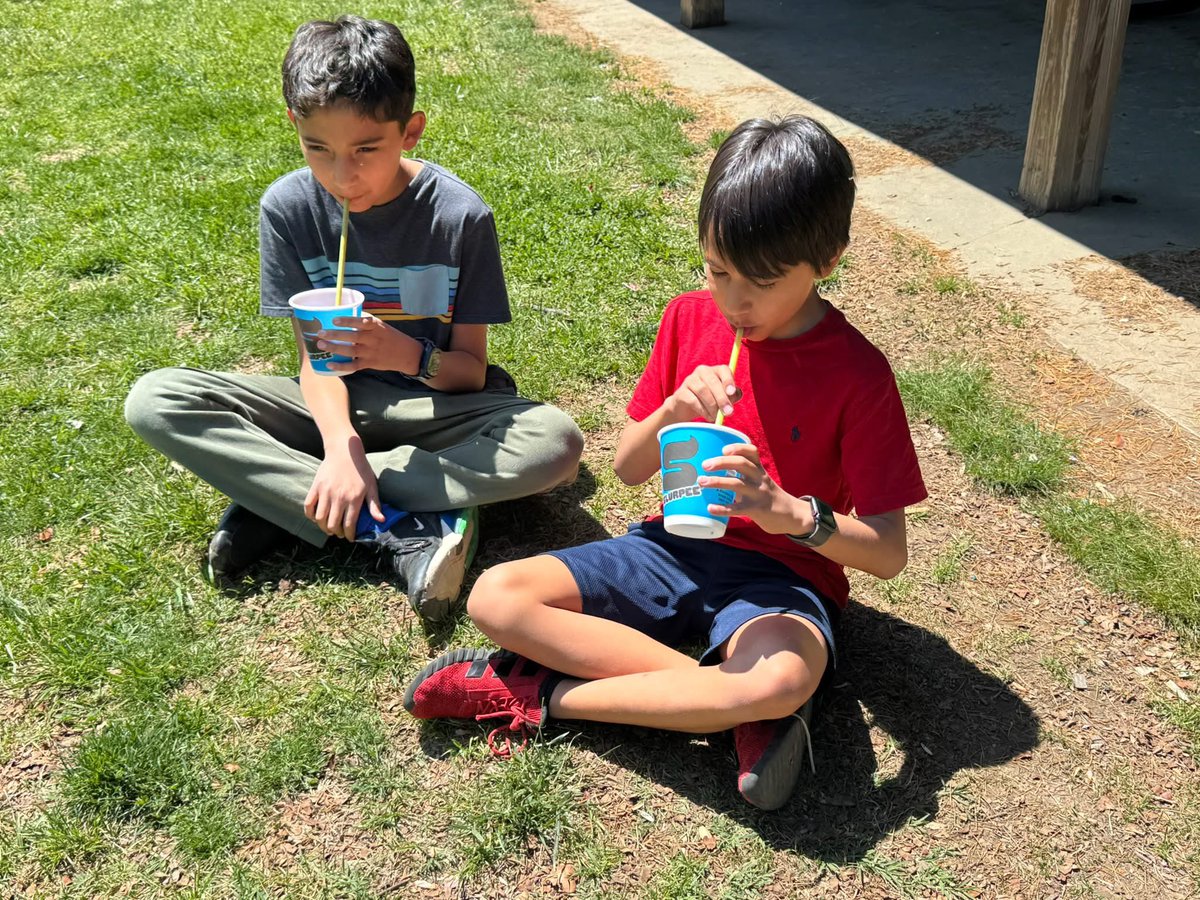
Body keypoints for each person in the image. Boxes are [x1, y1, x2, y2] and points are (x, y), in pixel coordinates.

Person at [403, 115, 927, 809]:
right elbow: (625, 466)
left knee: (775, 678)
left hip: (782, 579)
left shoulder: (858, 374)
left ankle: (539, 693)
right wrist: (672, 410)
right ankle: (728, 707)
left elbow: (888, 553)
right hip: (668, 549)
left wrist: (788, 513)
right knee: (496, 597)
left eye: (762, 282)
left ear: (827, 259)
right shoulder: (689, 319)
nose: (734, 301)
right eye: (717, 271)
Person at [124, 15, 583, 622]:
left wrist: (404, 354)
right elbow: (314, 366)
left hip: (435, 408)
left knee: (555, 444)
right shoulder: (288, 209)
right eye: (319, 148)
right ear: (296, 127)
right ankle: (394, 520)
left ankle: (285, 498)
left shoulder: (459, 216)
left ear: (410, 131)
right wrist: (341, 446)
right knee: (156, 400)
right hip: (330, 406)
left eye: (367, 149)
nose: (343, 175)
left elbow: (471, 374)